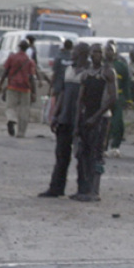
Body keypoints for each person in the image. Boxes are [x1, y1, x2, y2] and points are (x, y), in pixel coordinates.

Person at [39, 42, 89, 198]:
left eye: (75, 51)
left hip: (80, 120)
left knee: (81, 156)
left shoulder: (88, 72)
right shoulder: (69, 70)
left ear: (82, 53)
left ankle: (83, 189)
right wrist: (56, 115)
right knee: (61, 155)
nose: (72, 53)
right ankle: (56, 187)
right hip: (65, 118)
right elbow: (62, 94)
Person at [71, 47, 117, 202]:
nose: (95, 55)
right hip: (87, 117)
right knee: (83, 154)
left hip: (101, 118)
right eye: (93, 52)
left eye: (98, 52)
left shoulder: (108, 73)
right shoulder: (86, 74)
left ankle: (94, 190)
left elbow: (112, 98)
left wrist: (96, 117)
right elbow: (80, 99)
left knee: (97, 154)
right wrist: (78, 122)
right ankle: (83, 188)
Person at [0, 40, 36, 137]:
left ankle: (11, 119)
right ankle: (21, 132)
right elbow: (32, 77)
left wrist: (0, 84)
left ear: (18, 47)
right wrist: (34, 92)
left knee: (10, 107)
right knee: (24, 110)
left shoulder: (12, 57)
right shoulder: (30, 61)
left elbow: (5, 72)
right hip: (25, 88)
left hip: (12, 86)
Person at [106, 43, 132, 157]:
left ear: (115, 52)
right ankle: (103, 146)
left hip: (118, 98)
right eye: (107, 50)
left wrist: (128, 100)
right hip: (104, 98)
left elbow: (126, 84)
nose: (109, 52)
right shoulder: (101, 65)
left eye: (111, 50)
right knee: (105, 123)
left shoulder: (121, 66)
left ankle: (115, 146)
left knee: (117, 122)